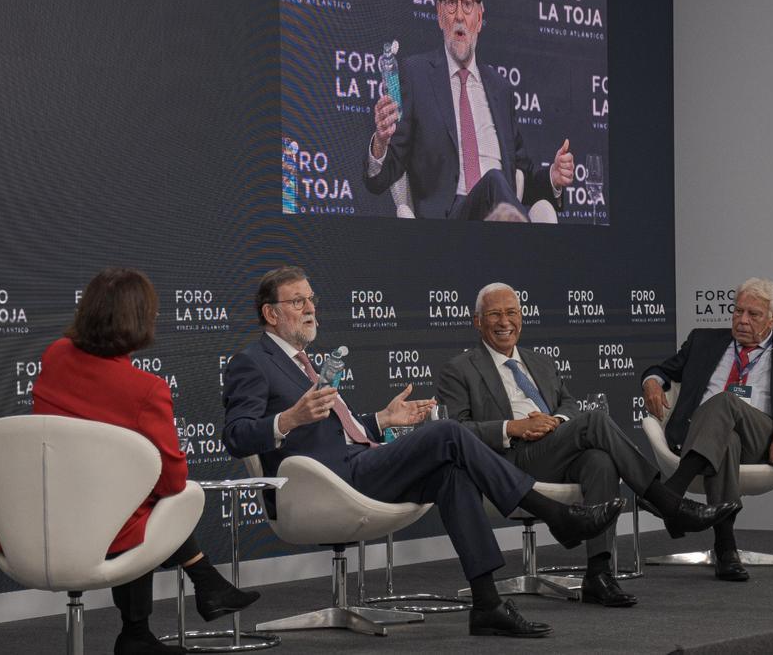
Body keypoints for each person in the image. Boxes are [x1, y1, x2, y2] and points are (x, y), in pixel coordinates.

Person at [222, 266, 624, 638]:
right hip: (325, 482)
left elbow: (336, 430)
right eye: (297, 302)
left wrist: (383, 419)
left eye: (311, 300)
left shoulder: (305, 363)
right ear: (271, 314)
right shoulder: (253, 363)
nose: (310, 309)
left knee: (453, 474)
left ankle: (487, 604)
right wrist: (288, 419)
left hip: (356, 465)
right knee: (446, 433)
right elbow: (237, 436)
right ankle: (556, 515)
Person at [437, 283, 741, 607]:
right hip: (506, 461)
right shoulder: (459, 370)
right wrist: (515, 427)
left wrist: (557, 424)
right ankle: (666, 502)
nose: (504, 321)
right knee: (595, 421)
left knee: (600, 460)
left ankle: (598, 573)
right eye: (494, 314)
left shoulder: (540, 362)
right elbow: (454, 430)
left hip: (552, 448)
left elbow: (568, 405)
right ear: (477, 321)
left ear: (522, 317)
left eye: (511, 312)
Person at [29, 268, 259, 655]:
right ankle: (188, 595)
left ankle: (173, 609)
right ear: (140, 321)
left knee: (129, 499)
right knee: (158, 499)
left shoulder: (55, 355)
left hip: (41, 516)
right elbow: (172, 481)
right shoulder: (145, 389)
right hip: (105, 530)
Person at [641, 277, 773, 581]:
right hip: (701, 434)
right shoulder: (703, 340)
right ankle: (726, 548)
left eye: (753, 314)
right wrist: (650, 382)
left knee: (726, 401)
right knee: (728, 440)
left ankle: (671, 491)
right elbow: (661, 370)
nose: (741, 320)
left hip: (763, 437)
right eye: (737, 311)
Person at [363, 0, 575, 220]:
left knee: (499, 186)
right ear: (440, 14)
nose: (460, 16)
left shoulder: (500, 88)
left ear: (480, 16)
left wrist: (553, 178)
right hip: (447, 226)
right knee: (494, 180)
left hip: (501, 220)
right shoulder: (416, 75)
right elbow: (380, 179)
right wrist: (381, 142)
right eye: (451, 3)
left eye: (467, 3)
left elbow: (523, 176)